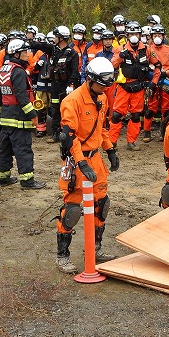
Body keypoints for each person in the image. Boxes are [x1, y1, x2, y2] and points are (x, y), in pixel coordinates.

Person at [54, 57, 121, 273]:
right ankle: (62, 256)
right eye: (102, 84)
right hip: (76, 160)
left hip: (96, 159)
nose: (105, 89)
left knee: (102, 204)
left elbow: (101, 128)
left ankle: (95, 249)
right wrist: (81, 164)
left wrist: (110, 150)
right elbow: (69, 138)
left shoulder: (102, 98)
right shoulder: (72, 102)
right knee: (72, 209)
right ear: (90, 80)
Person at [0, 38, 47, 190]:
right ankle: (27, 180)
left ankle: (2, 177)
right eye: (25, 51)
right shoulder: (18, 71)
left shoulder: (3, 70)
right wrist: (33, 115)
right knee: (23, 149)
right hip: (19, 118)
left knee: (5, 148)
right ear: (16, 54)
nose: (28, 54)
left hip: (5, 117)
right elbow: (21, 97)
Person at [110, 21, 152, 150]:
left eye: (136, 33)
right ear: (127, 35)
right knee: (117, 114)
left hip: (139, 87)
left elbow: (156, 65)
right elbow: (112, 64)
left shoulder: (146, 49)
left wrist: (153, 81)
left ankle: (131, 141)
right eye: (131, 33)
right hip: (124, 86)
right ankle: (112, 142)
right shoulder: (120, 49)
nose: (134, 36)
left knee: (135, 115)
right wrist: (120, 57)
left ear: (140, 35)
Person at [144, 24, 169, 141]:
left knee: (167, 108)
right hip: (153, 79)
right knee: (151, 108)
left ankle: (164, 131)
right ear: (152, 36)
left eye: (159, 35)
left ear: (163, 36)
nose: (157, 37)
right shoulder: (147, 49)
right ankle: (147, 132)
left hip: (167, 80)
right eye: (155, 35)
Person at [46, 25, 80, 143]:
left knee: (67, 110)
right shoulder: (54, 51)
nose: (54, 38)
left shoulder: (72, 53)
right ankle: (55, 133)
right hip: (55, 85)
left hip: (66, 86)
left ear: (61, 38)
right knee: (55, 109)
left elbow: (75, 71)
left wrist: (71, 85)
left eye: (56, 36)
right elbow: (42, 46)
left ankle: (68, 133)